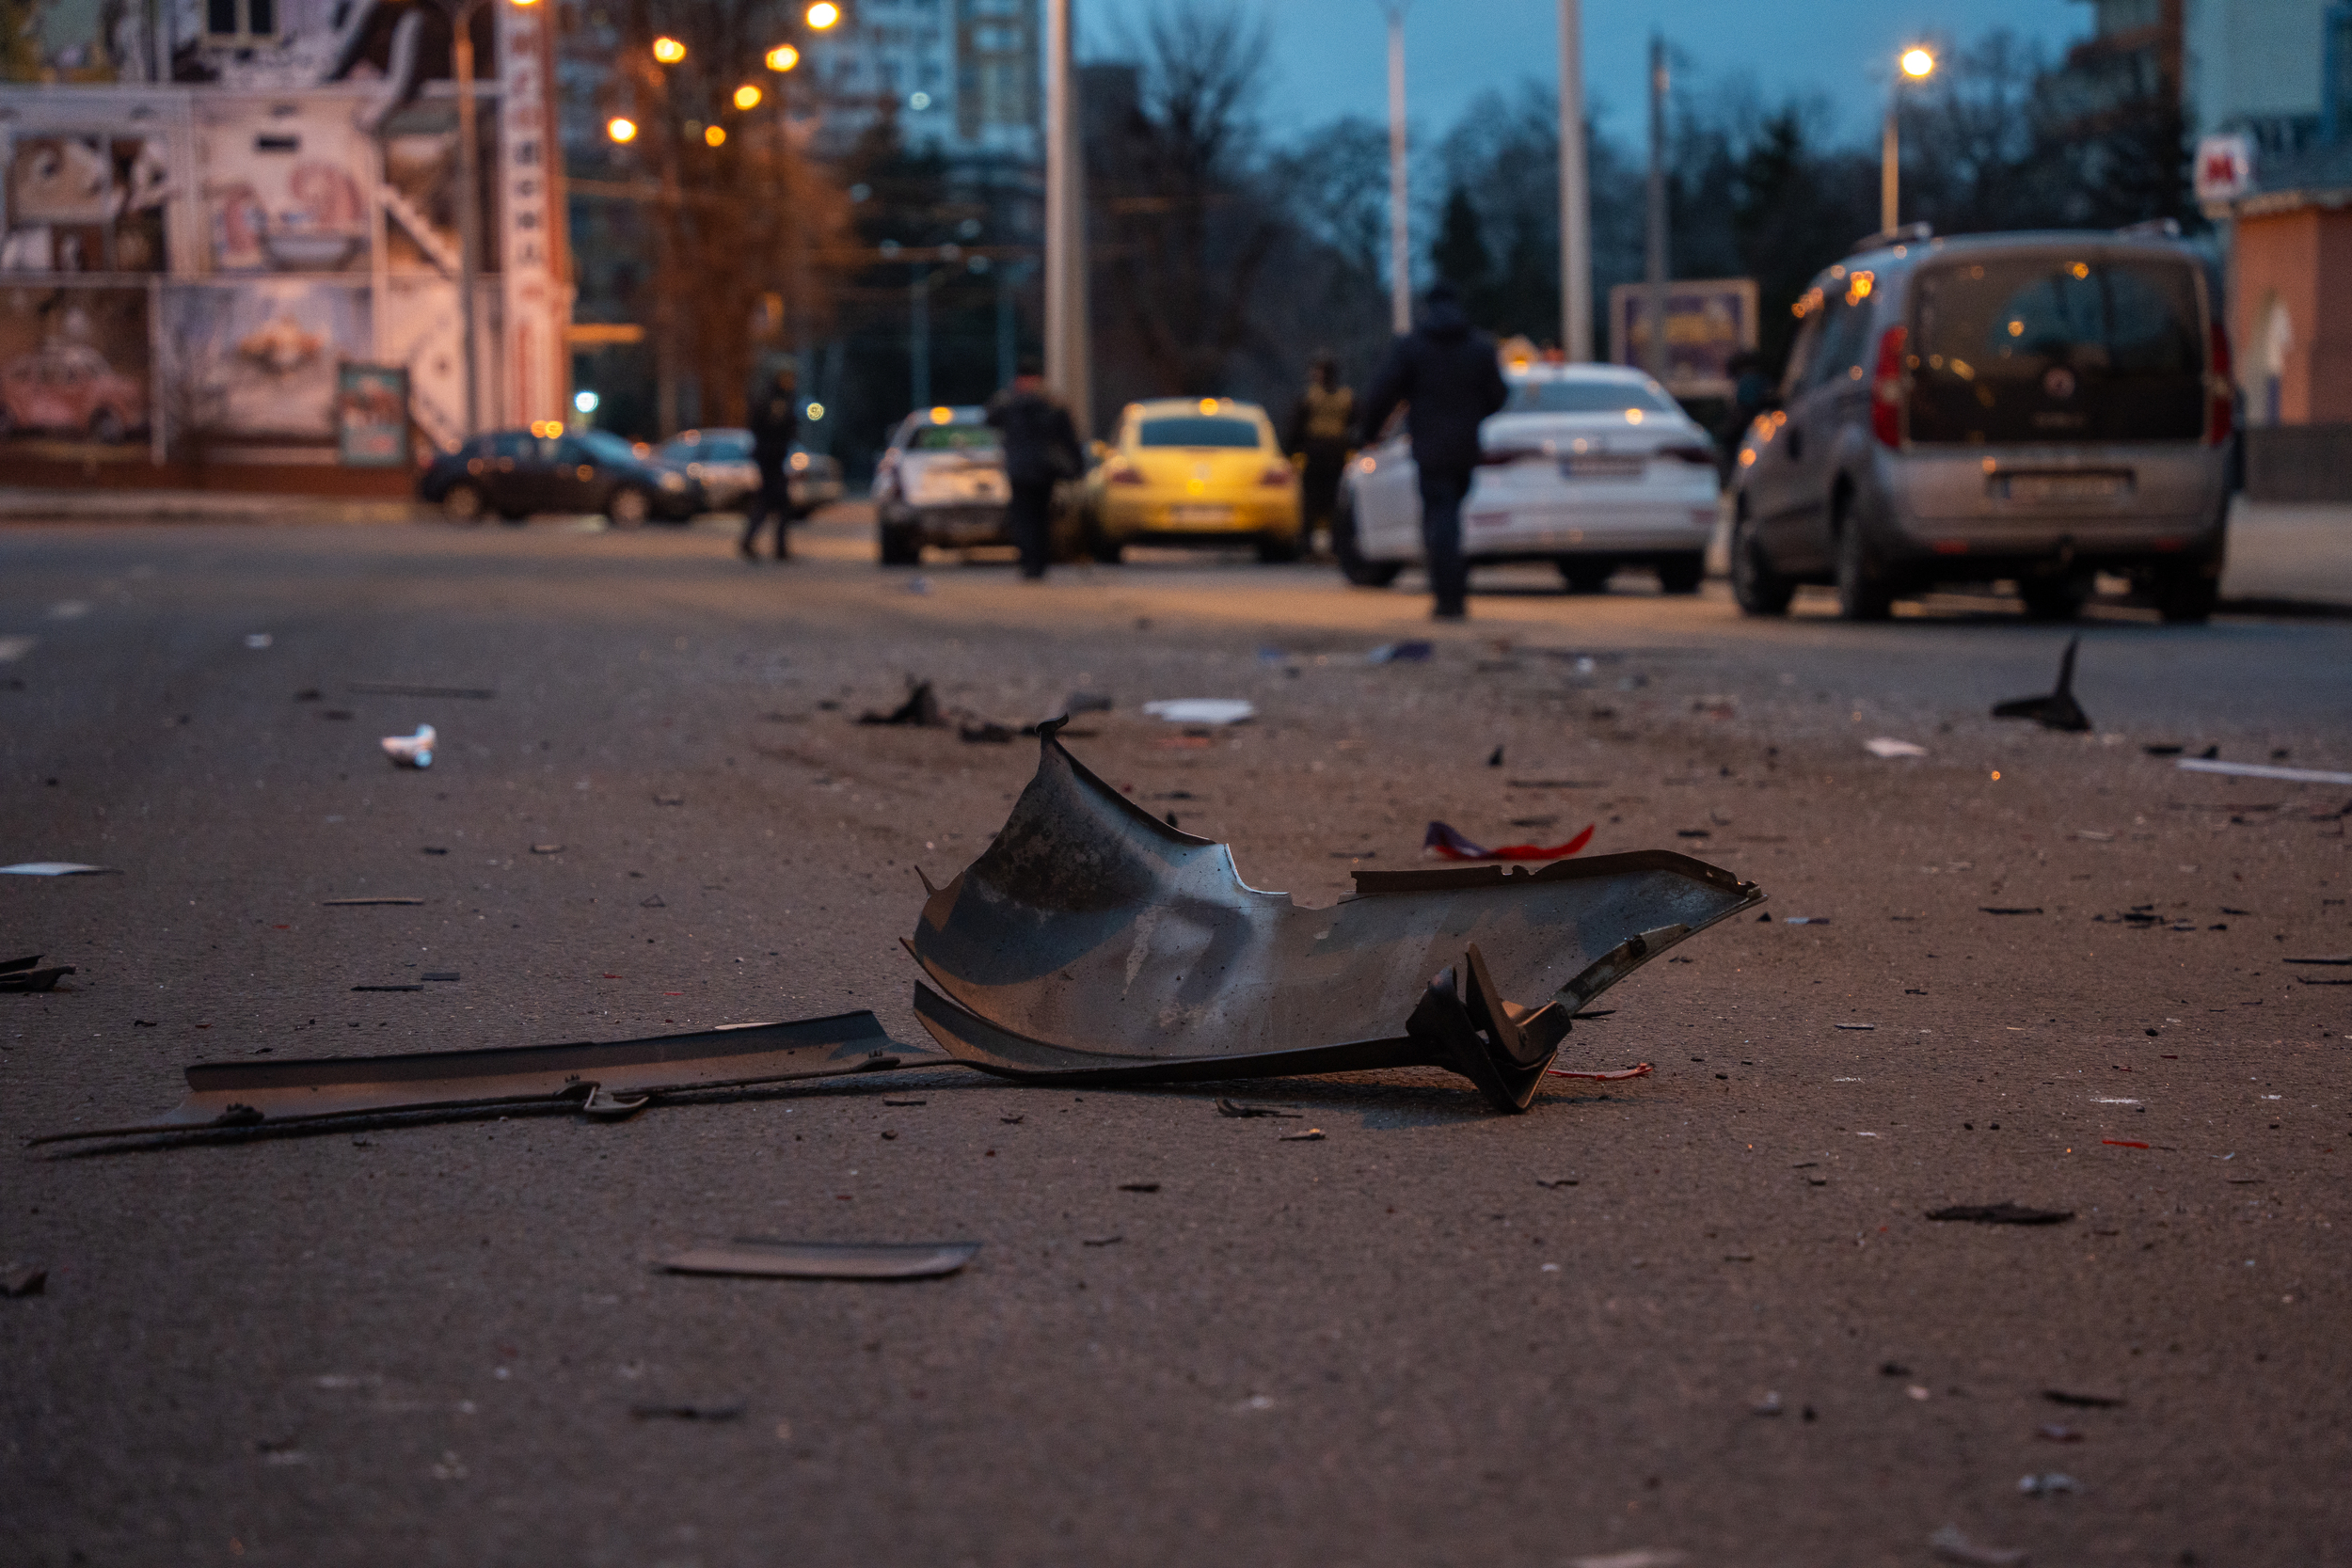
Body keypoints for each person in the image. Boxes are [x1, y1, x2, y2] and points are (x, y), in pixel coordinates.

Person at [1357, 280, 1508, 620]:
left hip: (1429, 444)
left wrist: (1369, 433)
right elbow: (1499, 396)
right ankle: (1452, 585)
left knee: (1438, 514)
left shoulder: (1413, 347)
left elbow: (1384, 391)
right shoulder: (1480, 348)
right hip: (1465, 446)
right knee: (1451, 513)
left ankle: (1447, 593)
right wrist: (1472, 415)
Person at [984, 356, 1082, 580]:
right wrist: (1077, 466)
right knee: (1039, 517)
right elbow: (1069, 437)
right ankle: (1037, 563)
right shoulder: (1051, 403)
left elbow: (989, 417)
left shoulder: (1010, 402)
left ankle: (1031, 563)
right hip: (1042, 469)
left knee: (1026, 518)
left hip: (1021, 469)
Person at [1285, 356, 1354, 557]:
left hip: (1316, 453)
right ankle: (1335, 545)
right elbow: (1356, 421)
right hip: (1337, 453)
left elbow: (1296, 427)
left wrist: (1291, 452)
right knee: (1334, 501)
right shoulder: (1346, 397)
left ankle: (1307, 545)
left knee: (1311, 501)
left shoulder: (1310, 398)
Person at [740, 366, 800, 562]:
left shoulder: (776, 398)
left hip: (771, 457)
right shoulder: (776, 401)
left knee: (769, 503)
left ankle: (754, 542)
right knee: (777, 503)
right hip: (771, 458)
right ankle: (775, 547)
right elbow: (777, 427)